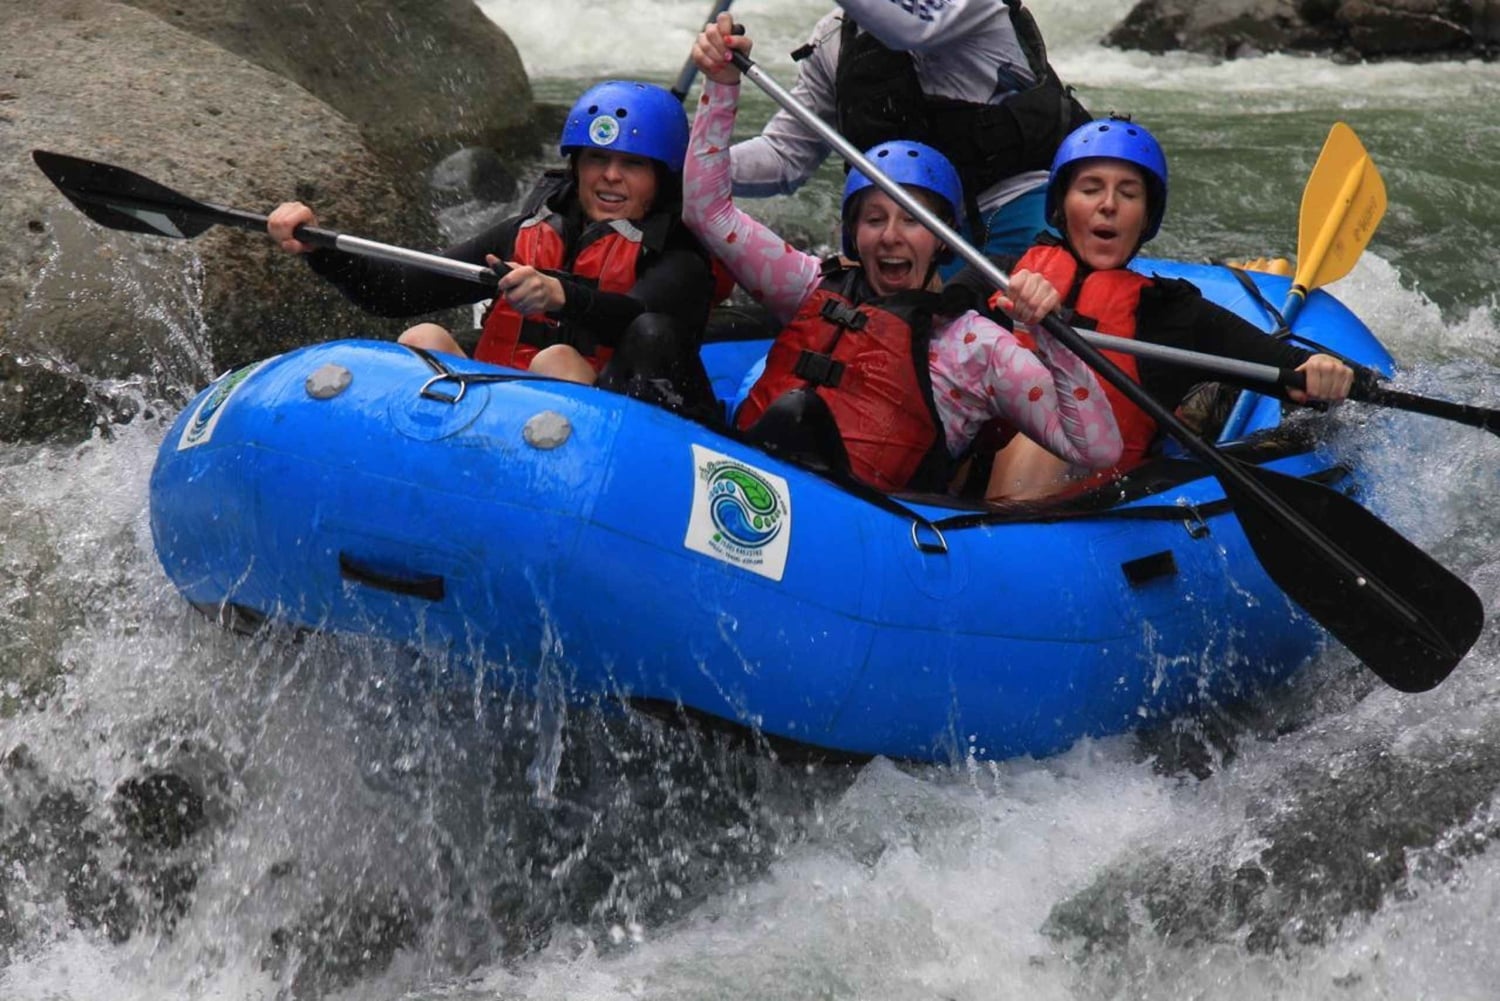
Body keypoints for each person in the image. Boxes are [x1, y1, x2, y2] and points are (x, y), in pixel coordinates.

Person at [683, 19, 1122, 494]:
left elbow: (1096, 450)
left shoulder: (975, 348)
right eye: (874, 220)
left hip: (870, 518)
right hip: (750, 486)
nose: (891, 236)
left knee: (799, 414)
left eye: (912, 221)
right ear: (853, 235)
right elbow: (707, 212)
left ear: (942, 239)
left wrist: (1050, 335)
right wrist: (721, 86)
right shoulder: (808, 286)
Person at [267, 80, 722, 421]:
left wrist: (561, 295)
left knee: (557, 360)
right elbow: (396, 293)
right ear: (576, 166)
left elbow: (636, 318)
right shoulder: (525, 233)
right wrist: (320, 249)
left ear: (662, 177)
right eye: (597, 159)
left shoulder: (678, 256)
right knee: (423, 337)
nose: (610, 176)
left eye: (632, 164)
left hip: (598, 429)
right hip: (495, 417)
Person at [961, 116, 1357, 500]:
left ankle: (1211, 406)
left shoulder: (1173, 313)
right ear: (1061, 206)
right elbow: (932, 319)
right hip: (968, 478)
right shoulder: (1002, 275)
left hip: (1088, 503)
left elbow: (1291, 370)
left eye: (1129, 194)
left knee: (1053, 426)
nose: (1108, 205)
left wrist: (1323, 371)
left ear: (1146, 217)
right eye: (1090, 189)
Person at [728, 0, 1090, 267]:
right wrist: (697, 163)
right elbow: (783, 158)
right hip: (913, 239)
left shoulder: (974, 6)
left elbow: (912, 28)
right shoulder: (833, 36)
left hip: (1018, 222)